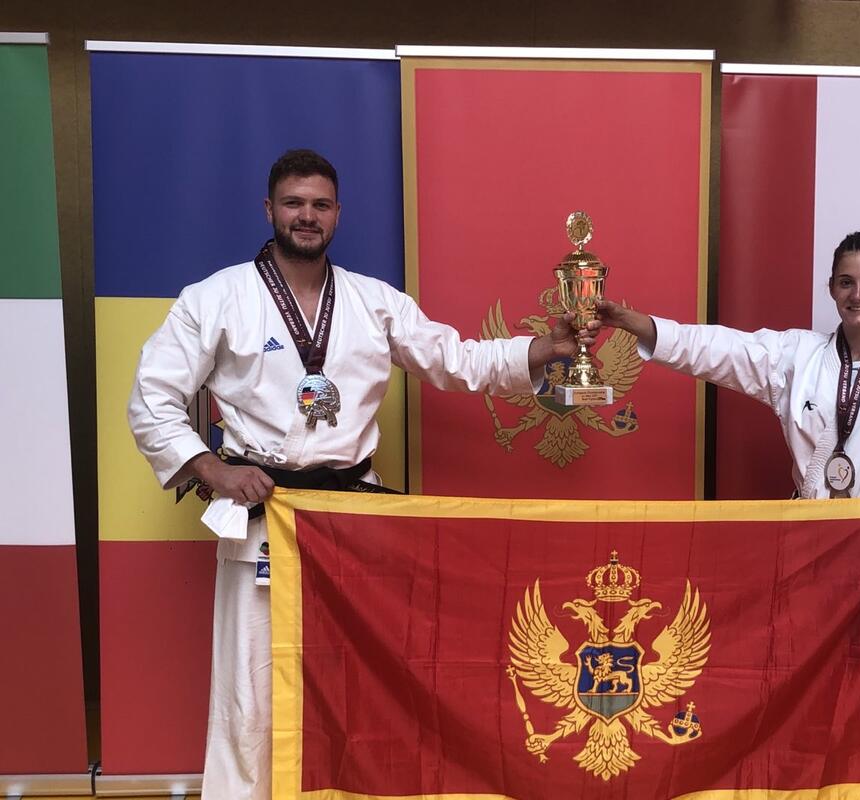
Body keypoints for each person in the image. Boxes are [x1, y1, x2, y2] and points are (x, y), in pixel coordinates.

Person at [128, 149, 591, 800]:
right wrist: (209, 467)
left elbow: (454, 360)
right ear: (269, 209)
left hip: (353, 516)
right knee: (252, 687)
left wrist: (544, 349)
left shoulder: (375, 302)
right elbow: (152, 394)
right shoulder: (217, 297)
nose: (307, 215)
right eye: (294, 203)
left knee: (358, 679)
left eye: (320, 204)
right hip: (268, 513)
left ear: (338, 214)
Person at [596, 231, 860, 800]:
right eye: (846, 282)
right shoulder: (796, 357)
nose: (858, 294)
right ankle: (806, 779)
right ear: (831, 288)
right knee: (804, 674)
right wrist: (637, 323)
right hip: (813, 547)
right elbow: (717, 349)